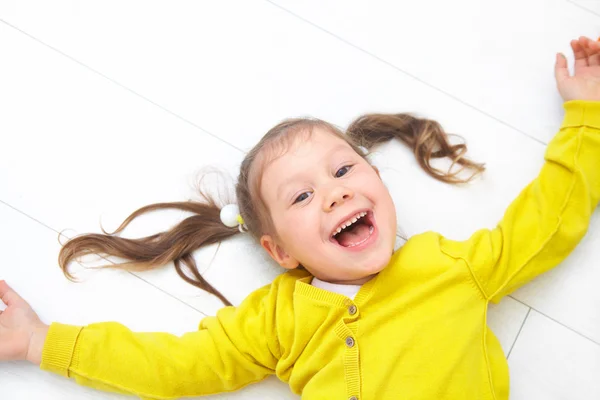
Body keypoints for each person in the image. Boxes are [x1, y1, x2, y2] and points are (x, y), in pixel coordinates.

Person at [1, 36, 599, 400]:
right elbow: (176, 366)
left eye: (343, 173)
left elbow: (546, 222)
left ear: (378, 186)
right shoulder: (277, 318)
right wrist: (40, 343)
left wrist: (586, 119)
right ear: (280, 252)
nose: (335, 196)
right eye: (302, 197)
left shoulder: (449, 267)